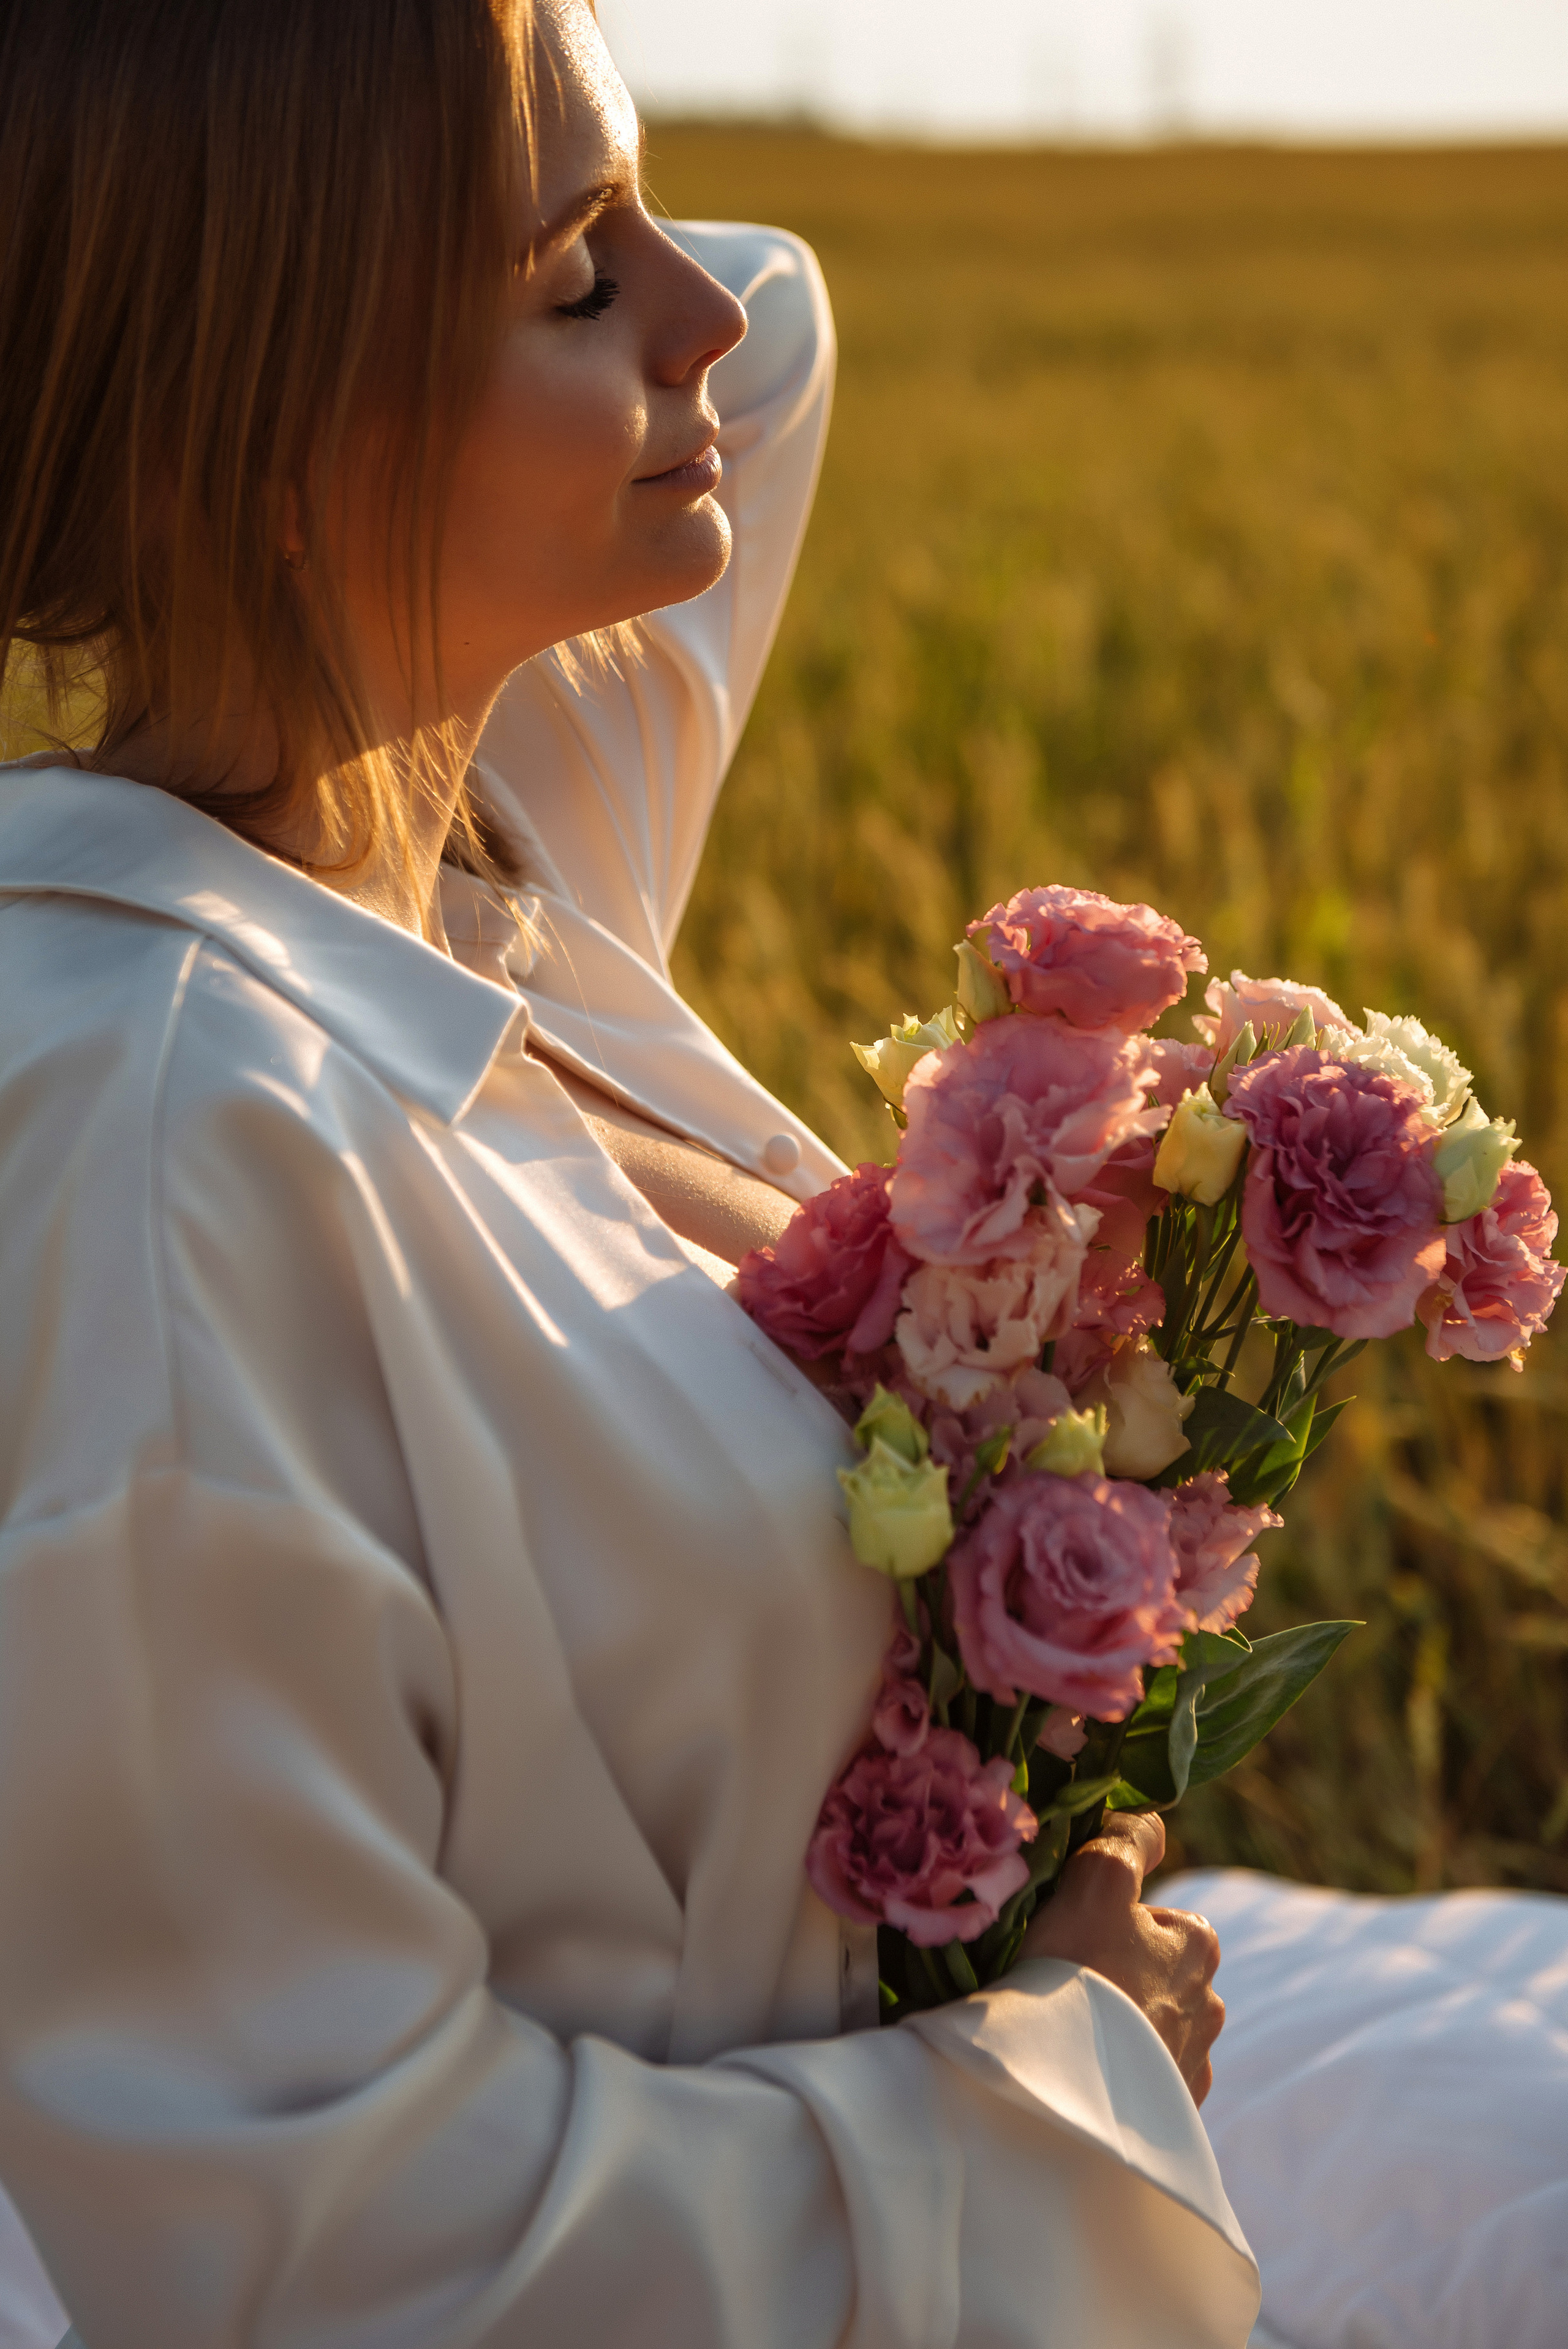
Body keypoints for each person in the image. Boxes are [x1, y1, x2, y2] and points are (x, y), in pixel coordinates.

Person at [0, 4, 1257, 2344]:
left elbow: (762, 307)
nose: (693, 310)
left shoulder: (469, 846)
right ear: (278, 424)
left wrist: (491, 120)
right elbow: (313, 2254)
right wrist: (1047, 2099)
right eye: (581, 271)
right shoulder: (153, 1154)